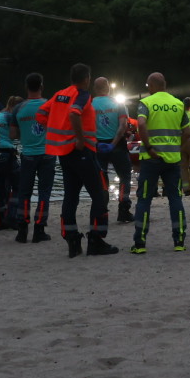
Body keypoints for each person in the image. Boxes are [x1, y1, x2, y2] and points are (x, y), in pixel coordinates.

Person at [36, 63, 118, 257]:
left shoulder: (59, 95)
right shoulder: (82, 95)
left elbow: (40, 114)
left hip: (64, 153)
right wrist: (79, 138)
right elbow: (74, 113)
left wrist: (60, 132)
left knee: (70, 196)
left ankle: (72, 240)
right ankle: (96, 240)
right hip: (82, 152)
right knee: (100, 195)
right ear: (87, 79)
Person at [130, 72, 188, 254]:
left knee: (144, 200)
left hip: (151, 159)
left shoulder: (146, 103)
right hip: (172, 160)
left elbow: (140, 125)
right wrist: (177, 146)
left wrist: (149, 146)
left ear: (151, 86)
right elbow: (187, 131)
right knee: (175, 199)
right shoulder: (178, 104)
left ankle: (140, 243)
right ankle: (179, 241)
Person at [14, 73, 54, 244]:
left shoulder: (18, 108)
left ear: (26, 87)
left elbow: (12, 134)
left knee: (24, 192)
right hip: (47, 154)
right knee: (44, 193)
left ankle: (22, 230)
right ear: (42, 86)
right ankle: (39, 229)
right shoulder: (49, 106)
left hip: (28, 155)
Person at [92, 77, 134, 224]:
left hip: (98, 147)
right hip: (117, 146)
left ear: (95, 89)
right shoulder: (117, 103)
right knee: (124, 177)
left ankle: (102, 210)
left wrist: (97, 143)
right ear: (108, 87)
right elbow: (123, 126)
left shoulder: (90, 105)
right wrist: (113, 143)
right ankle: (123, 210)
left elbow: (87, 128)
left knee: (102, 179)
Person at [0, 95, 23, 236]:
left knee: (1, 187)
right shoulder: (11, 116)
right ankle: (12, 216)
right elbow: (14, 135)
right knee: (18, 185)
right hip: (7, 153)